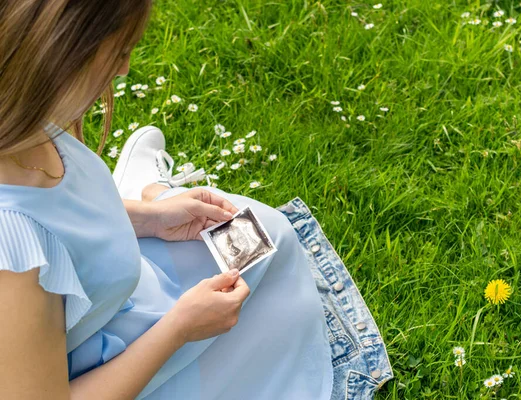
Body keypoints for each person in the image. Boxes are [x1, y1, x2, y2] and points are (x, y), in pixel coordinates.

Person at [0, 1, 392, 399]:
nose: (124, 69)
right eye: (119, 52)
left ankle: (145, 193)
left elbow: (59, 214)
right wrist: (180, 330)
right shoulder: (13, 262)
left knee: (266, 235)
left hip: (111, 302)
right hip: (99, 370)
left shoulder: (19, 111)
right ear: (58, 54)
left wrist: (148, 218)